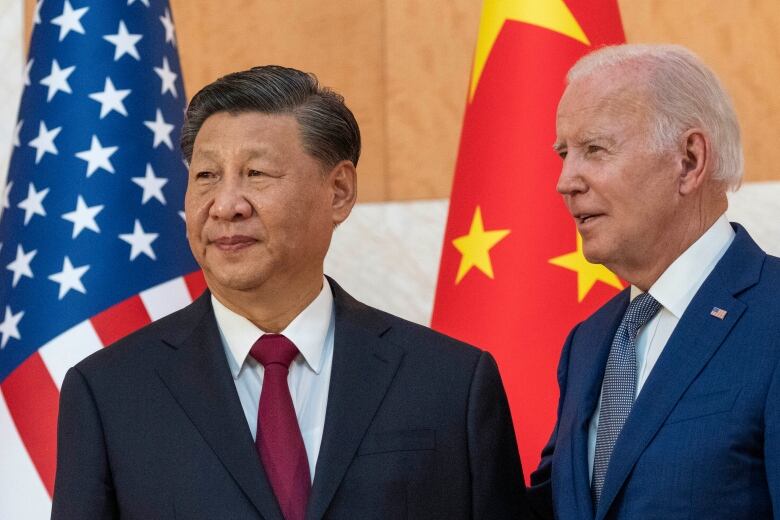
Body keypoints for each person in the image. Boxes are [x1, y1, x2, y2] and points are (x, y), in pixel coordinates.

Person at [50, 65, 527, 519]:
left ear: (338, 192)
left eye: (256, 174)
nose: (226, 205)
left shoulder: (450, 382)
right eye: (206, 176)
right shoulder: (109, 393)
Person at [527, 43, 780, 519]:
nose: (565, 180)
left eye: (594, 150)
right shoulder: (589, 340)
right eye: (564, 153)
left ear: (688, 160)